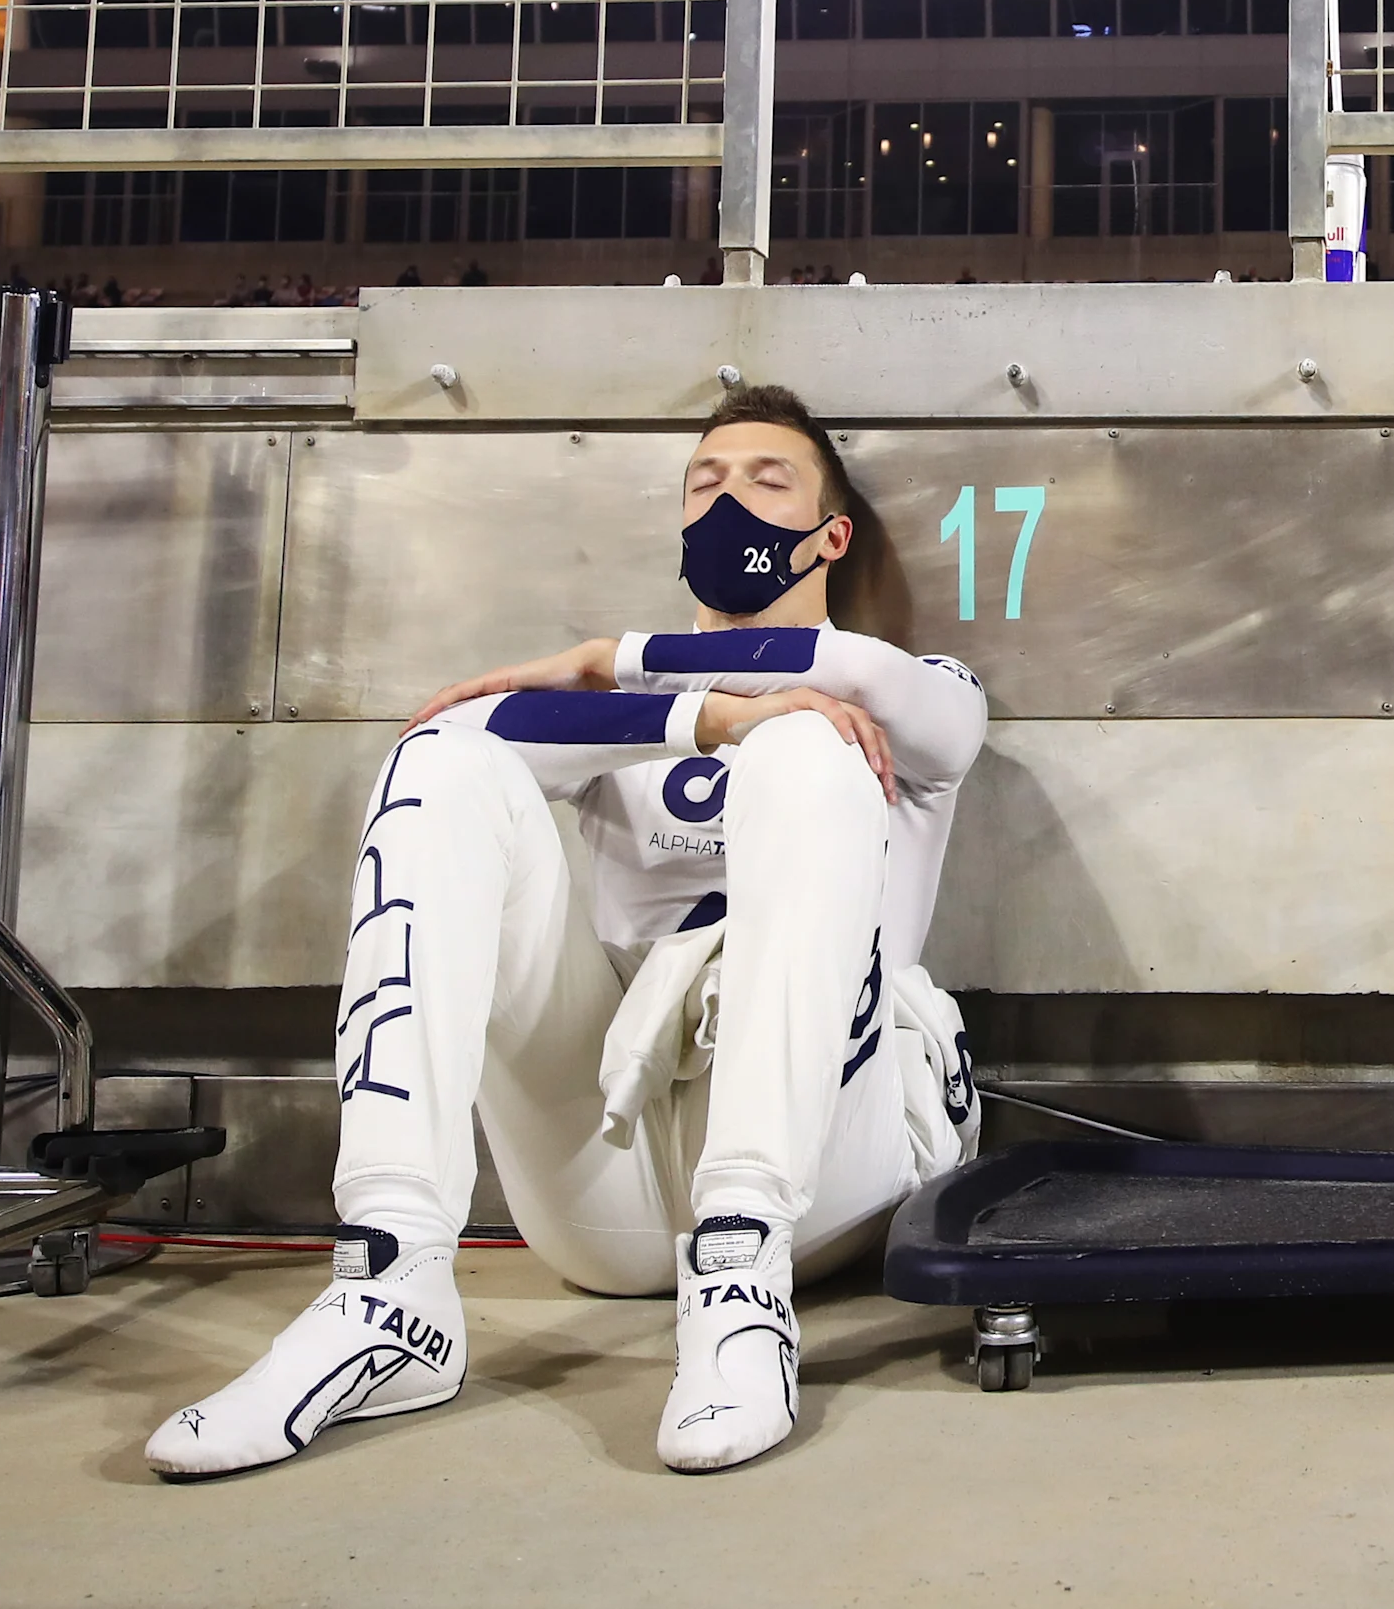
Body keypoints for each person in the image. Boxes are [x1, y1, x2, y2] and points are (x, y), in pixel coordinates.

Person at [146, 384, 988, 1480]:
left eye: (766, 479)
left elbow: (880, 682)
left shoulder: (911, 697)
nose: (729, 495)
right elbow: (449, 729)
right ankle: (389, 1286)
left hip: (829, 1190)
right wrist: (702, 711)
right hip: (610, 1205)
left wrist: (615, 657)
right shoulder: (612, 711)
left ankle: (740, 1280)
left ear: (830, 536)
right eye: (706, 481)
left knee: (810, 749)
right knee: (445, 769)